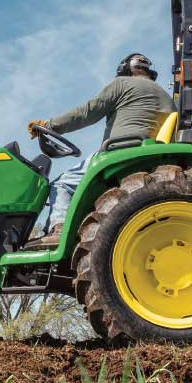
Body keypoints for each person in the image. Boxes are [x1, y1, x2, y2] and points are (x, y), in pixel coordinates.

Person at [25, 53, 175, 249]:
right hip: (150, 154)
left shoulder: (122, 83)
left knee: (62, 184)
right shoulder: (167, 98)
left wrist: (50, 125)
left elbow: (88, 111)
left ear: (126, 68)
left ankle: (58, 230)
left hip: (118, 152)